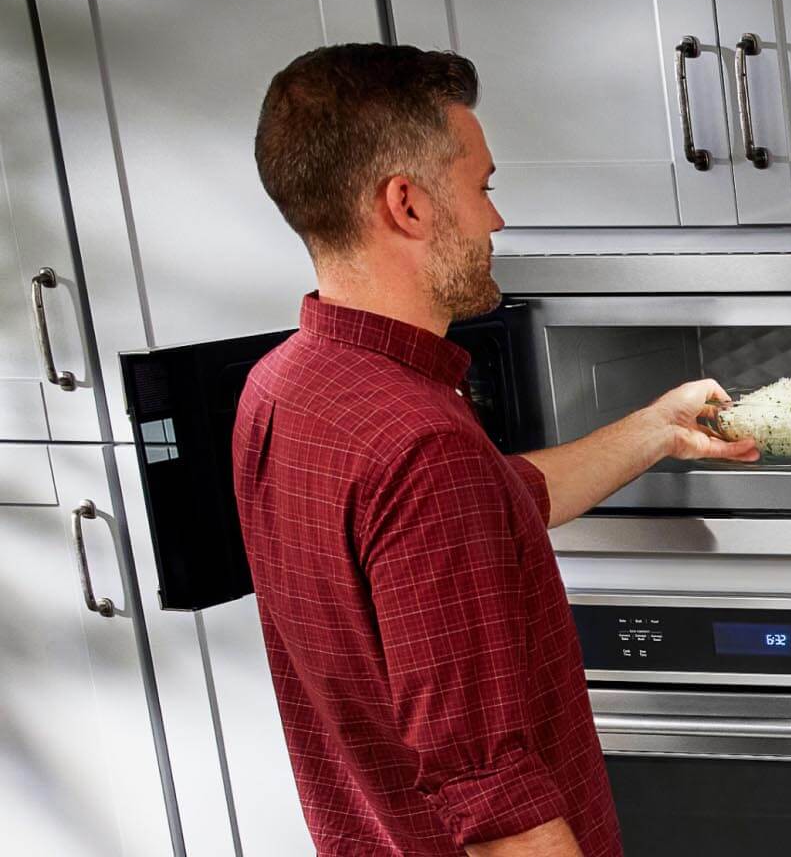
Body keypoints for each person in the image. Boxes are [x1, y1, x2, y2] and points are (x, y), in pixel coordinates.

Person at [233, 43, 756, 857]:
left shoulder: (282, 386)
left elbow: (479, 505)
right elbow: (490, 794)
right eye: (481, 188)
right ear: (406, 205)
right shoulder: (423, 444)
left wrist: (657, 428)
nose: (496, 219)